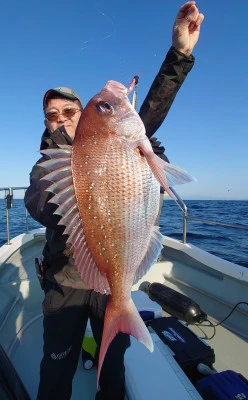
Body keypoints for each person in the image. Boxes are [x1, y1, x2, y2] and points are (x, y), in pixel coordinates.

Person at [24, 2, 204, 399]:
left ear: (81, 116)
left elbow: (143, 117)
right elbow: (37, 201)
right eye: (51, 115)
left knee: (114, 368)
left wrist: (179, 55)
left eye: (69, 111)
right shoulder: (47, 166)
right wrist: (76, 189)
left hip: (111, 283)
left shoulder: (111, 142)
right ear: (46, 124)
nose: (60, 119)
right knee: (55, 371)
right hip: (66, 282)